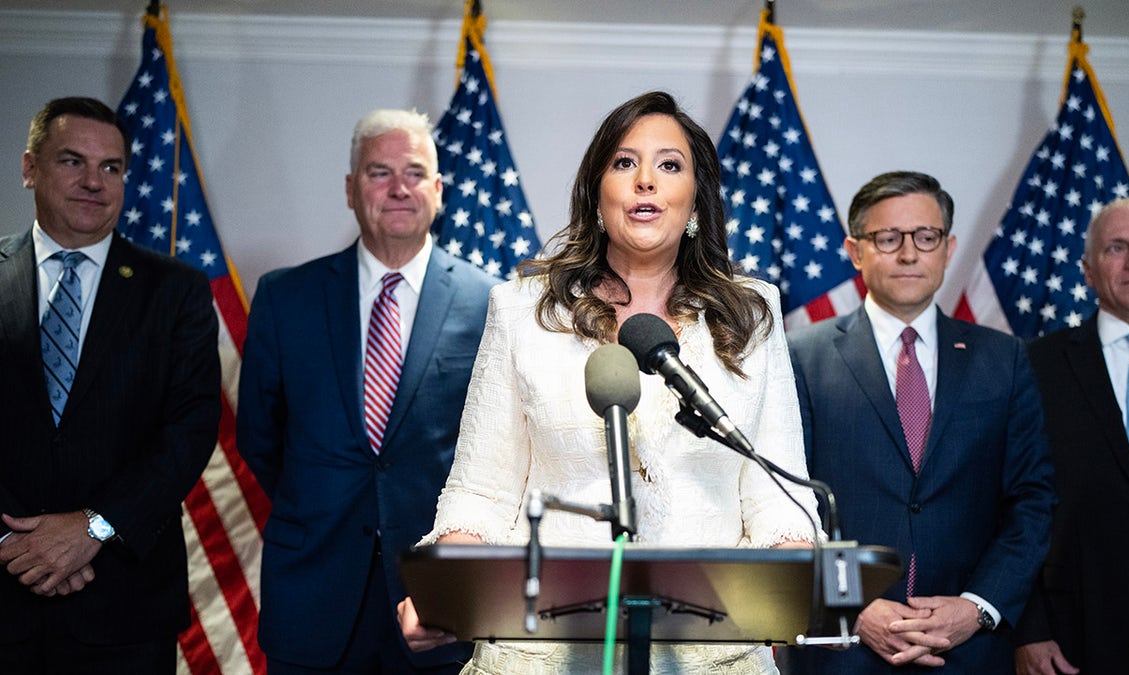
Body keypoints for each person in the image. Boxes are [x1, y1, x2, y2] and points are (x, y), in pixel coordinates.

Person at [396, 91, 821, 673]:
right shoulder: (522, 309)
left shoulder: (752, 313)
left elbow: (776, 496)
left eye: (669, 165)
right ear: (597, 195)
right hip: (544, 651)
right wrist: (446, 586)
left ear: (696, 201)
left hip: (710, 653)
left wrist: (797, 570)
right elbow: (482, 489)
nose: (646, 180)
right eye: (625, 163)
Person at [238, 108, 495, 674]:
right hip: (312, 595)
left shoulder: (493, 304)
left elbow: (498, 453)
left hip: (437, 603)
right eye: (380, 172)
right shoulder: (285, 298)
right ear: (351, 191)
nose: (399, 188)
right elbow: (260, 437)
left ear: (438, 190)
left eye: (414, 172)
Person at [785, 171, 1054, 673]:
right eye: (888, 238)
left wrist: (977, 607)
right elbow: (787, 505)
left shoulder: (1006, 359)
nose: (909, 254)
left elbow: (1033, 500)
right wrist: (854, 606)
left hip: (968, 651)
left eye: (925, 237)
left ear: (948, 248)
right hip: (844, 649)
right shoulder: (800, 356)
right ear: (855, 251)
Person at [0, 97, 220, 672]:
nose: (94, 182)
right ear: (30, 169)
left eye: (112, 167)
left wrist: (95, 526)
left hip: (125, 605)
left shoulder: (178, 291)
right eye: (73, 161)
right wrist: (14, 545)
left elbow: (191, 430)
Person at [1013, 198, 1129, 675]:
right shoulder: (1034, 367)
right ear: (1088, 271)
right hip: (1077, 638)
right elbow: (1009, 502)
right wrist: (1028, 628)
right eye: (1117, 248)